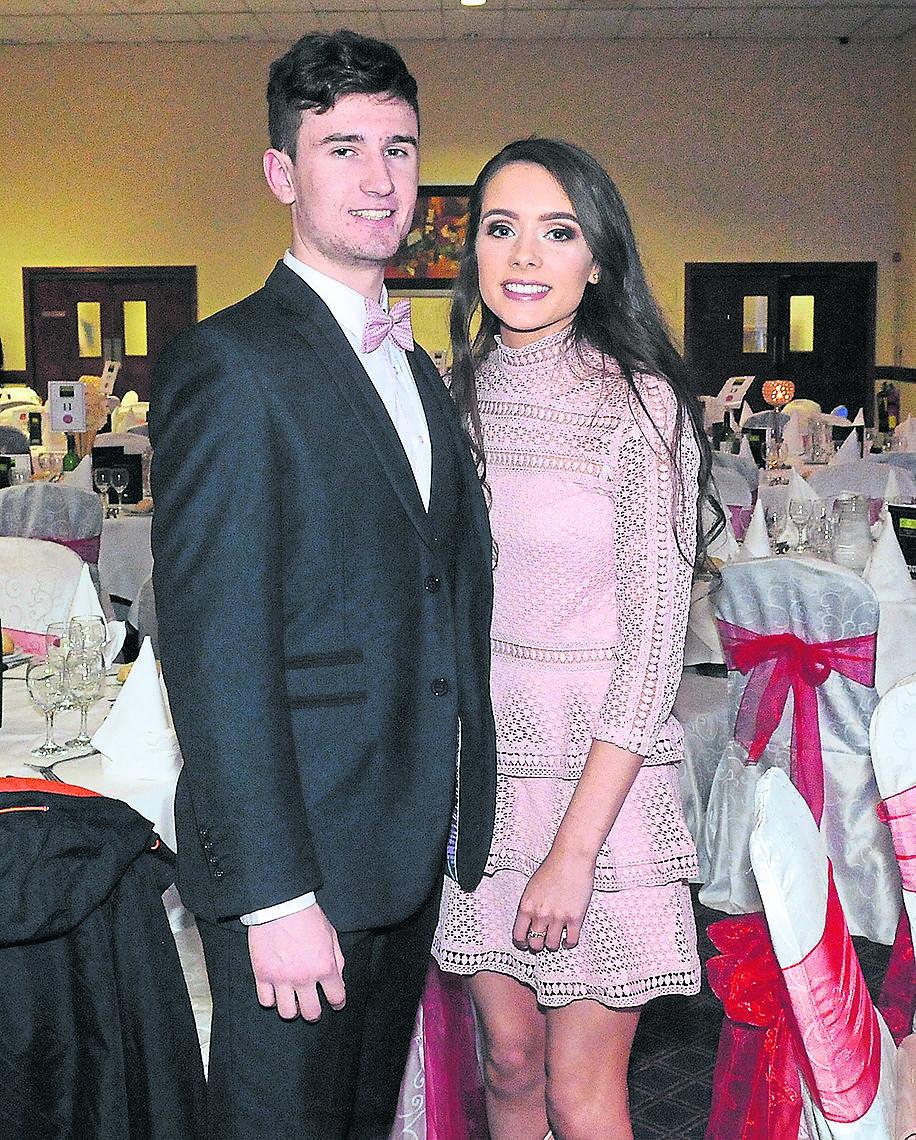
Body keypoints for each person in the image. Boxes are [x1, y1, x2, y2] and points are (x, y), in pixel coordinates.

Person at [148, 30, 496, 1140]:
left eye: (399, 148)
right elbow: (214, 651)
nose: (379, 178)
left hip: (398, 846)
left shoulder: (416, 366)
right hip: (297, 865)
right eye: (342, 148)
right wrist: (274, 894)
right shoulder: (230, 363)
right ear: (280, 173)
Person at [432, 138, 715, 1140]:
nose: (524, 255)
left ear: (598, 259)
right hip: (482, 772)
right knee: (507, 1065)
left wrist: (574, 852)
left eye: (558, 232)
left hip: (601, 778)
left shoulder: (638, 405)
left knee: (578, 1089)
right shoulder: (450, 394)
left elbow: (653, 651)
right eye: (500, 228)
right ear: (472, 250)